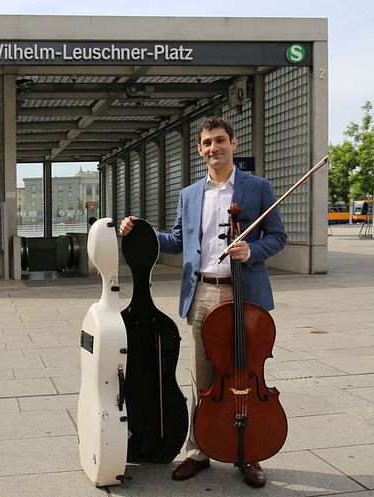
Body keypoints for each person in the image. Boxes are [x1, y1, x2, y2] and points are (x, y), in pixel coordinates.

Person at [120, 116, 286, 488]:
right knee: (205, 379)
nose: (215, 148)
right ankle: (199, 450)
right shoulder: (190, 194)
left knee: (247, 373)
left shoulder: (258, 188)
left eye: (221, 140)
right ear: (200, 149)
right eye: (208, 142)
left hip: (246, 295)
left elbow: (277, 236)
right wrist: (140, 229)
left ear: (234, 143)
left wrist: (251, 249)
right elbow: (178, 241)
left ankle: (249, 452)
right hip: (204, 292)